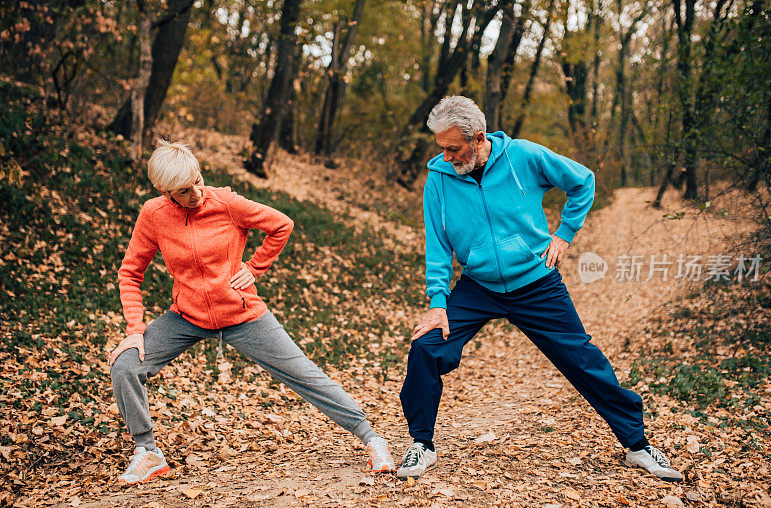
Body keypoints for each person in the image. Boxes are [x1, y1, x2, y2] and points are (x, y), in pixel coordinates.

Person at [396, 96, 683, 482]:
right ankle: (421, 445)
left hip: (535, 280)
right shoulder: (439, 180)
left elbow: (582, 182)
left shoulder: (525, 157)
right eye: (441, 149)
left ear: (478, 138)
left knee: (581, 358)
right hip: (478, 286)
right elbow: (437, 244)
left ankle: (637, 445)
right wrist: (438, 301)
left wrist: (564, 234)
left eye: (453, 148)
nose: (445, 157)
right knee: (426, 347)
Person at [109, 140, 395, 485]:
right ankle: (148, 453)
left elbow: (281, 225)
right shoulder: (154, 214)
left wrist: (255, 267)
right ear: (165, 191)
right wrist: (135, 329)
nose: (197, 193)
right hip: (186, 315)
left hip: (242, 314)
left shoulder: (227, 204)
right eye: (185, 191)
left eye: (198, 181)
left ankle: (372, 438)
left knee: (303, 373)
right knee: (125, 364)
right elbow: (130, 272)